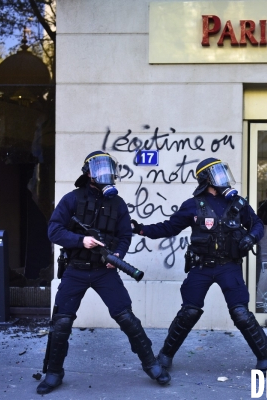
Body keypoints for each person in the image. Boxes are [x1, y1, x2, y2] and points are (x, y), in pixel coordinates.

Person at [37, 151, 170, 395]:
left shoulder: (117, 204)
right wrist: (80, 240)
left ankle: (151, 364)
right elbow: (54, 231)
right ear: (88, 173)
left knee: (127, 317)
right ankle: (54, 372)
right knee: (62, 321)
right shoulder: (72, 199)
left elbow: (125, 236)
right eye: (99, 169)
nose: (105, 174)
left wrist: (118, 255)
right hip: (75, 270)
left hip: (104, 271)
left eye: (108, 169)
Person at [131, 157, 267, 373]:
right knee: (189, 312)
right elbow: (169, 228)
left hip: (229, 266)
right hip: (202, 267)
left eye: (222, 172)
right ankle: (165, 356)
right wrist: (141, 229)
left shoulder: (237, 203)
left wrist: (251, 238)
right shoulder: (192, 205)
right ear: (205, 179)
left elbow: (257, 224)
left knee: (240, 314)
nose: (223, 178)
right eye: (217, 174)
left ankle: (266, 358)